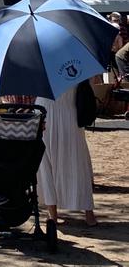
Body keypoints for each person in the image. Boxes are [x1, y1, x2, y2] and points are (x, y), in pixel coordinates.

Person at [36, 84, 97, 227]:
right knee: (76, 161)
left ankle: (53, 214)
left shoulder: (39, 62)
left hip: (53, 111)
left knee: (48, 163)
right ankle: (88, 214)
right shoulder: (78, 61)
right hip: (67, 112)